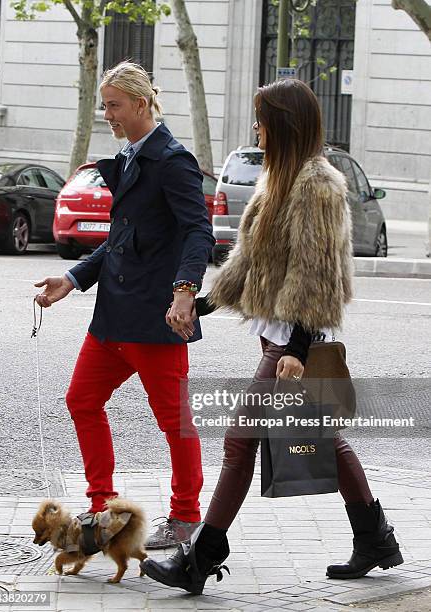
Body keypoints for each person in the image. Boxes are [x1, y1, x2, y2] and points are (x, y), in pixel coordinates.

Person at [141, 79, 403, 593]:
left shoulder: (317, 185)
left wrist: (298, 350)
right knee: (326, 438)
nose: (255, 128)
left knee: (240, 441)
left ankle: (201, 557)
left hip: (294, 339)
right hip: (279, 335)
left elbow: (317, 272)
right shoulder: (278, 178)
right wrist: (205, 305)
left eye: (261, 118)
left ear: (283, 122)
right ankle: (375, 538)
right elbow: (250, 264)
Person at [34, 62, 215, 549]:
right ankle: (103, 512)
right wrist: (72, 278)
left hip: (156, 321)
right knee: (81, 401)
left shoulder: (173, 160)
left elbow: (199, 231)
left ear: (140, 103)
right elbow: (120, 237)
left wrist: (185, 290)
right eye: (104, 105)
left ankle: (185, 517)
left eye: (113, 105)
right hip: (112, 318)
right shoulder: (132, 155)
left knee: (174, 420)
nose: (107, 114)